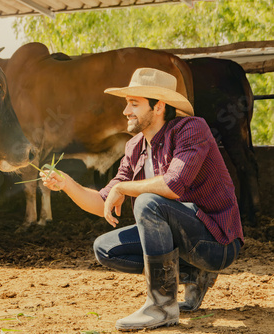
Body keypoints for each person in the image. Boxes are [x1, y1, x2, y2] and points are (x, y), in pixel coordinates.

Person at [40, 68, 243, 331]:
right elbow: (103, 201)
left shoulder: (192, 129)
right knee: (105, 247)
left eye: (134, 104)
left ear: (158, 107)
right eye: (127, 103)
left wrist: (124, 188)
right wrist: (66, 184)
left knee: (149, 202)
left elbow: (173, 185)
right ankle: (195, 274)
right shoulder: (135, 147)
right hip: (185, 240)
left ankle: (161, 307)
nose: (126, 111)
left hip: (218, 241)